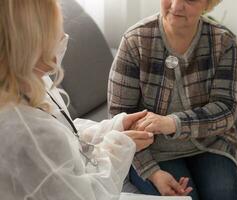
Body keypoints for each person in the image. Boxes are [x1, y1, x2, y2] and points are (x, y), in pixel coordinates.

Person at [0, 0, 154, 199]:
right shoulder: (26, 134)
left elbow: (65, 133)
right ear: (30, 41)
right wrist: (119, 146)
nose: (62, 39)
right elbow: (87, 195)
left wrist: (114, 127)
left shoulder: (30, 80)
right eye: (55, 31)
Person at [108, 0, 237, 199]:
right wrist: (153, 172)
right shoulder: (135, 40)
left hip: (209, 143)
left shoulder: (224, 41)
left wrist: (172, 123)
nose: (176, 6)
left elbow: (226, 108)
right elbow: (120, 117)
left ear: (207, 3)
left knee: (224, 194)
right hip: (152, 150)